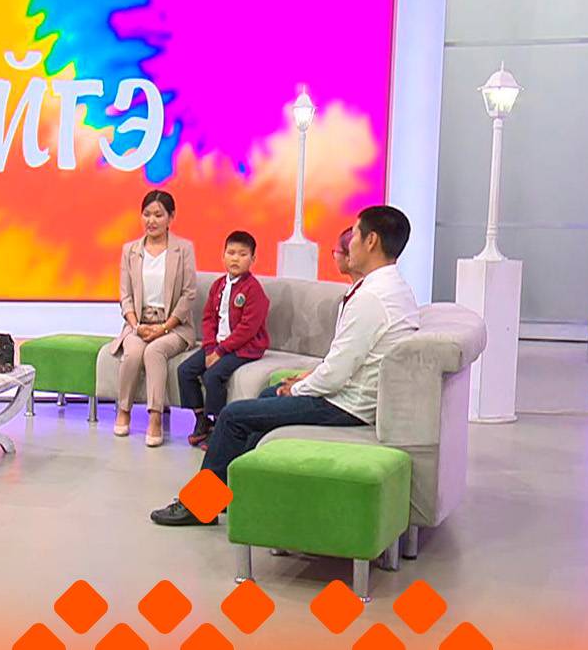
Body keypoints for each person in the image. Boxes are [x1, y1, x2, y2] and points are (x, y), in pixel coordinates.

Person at [150, 205, 421, 526]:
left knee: (234, 416)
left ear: (371, 240)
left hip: (347, 405)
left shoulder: (372, 298)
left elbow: (337, 374)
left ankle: (199, 506)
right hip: (352, 394)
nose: (351, 242)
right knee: (266, 398)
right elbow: (350, 359)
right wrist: (304, 379)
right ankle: (231, 493)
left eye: (356, 234)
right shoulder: (393, 289)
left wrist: (297, 387)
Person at [111, 190, 200, 447]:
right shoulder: (130, 250)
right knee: (133, 353)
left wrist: (163, 328)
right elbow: (125, 296)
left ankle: (155, 417)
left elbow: (188, 295)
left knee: (154, 352)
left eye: (158, 215)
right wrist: (136, 325)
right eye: (147, 214)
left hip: (174, 326)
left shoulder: (183, 249)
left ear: (171, 217)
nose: (151, 220)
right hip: (138, 324)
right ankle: (124, 410)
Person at [177, 231, 269, 449]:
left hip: (244, 348)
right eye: (231, 253)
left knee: (213, 375)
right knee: (185, 371)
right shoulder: (218, 285)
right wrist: (210, 348)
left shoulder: (253, 290)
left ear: (253, 259)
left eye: (242, 254)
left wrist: (220, 352)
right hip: (217, 345)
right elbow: (208, 318)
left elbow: (248, 329)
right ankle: (202, 419)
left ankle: (219, 427)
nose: (235, 258)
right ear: (223, 255)